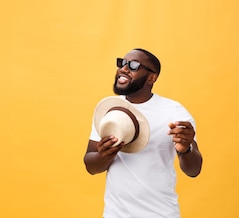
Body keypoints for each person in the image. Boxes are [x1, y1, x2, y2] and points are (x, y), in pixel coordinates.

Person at [83, 48, 203, 218]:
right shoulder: (109, 110)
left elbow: (194, 170)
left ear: (151, 77)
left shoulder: (174, 112)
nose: (124, 69)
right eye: (122, 63)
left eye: (133, 65)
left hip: (160, 214)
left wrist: (186, 149)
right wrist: (104, 155)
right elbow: (91, 166)